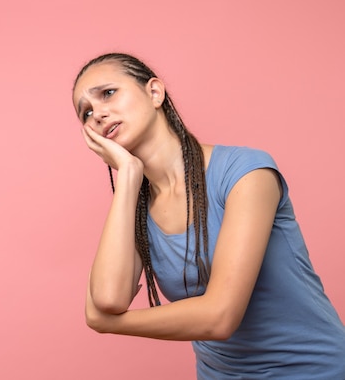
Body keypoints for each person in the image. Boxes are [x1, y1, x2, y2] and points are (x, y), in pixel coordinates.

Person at [72, 52, 345, 379]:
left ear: (155, 93)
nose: (98, 113)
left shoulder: (245, 173)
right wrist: (129, 174)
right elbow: (107, 298)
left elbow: (220, 317)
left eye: (108, 93)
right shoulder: (134, 207)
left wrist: (110, 325)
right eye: (86, 112)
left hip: (314, 371)